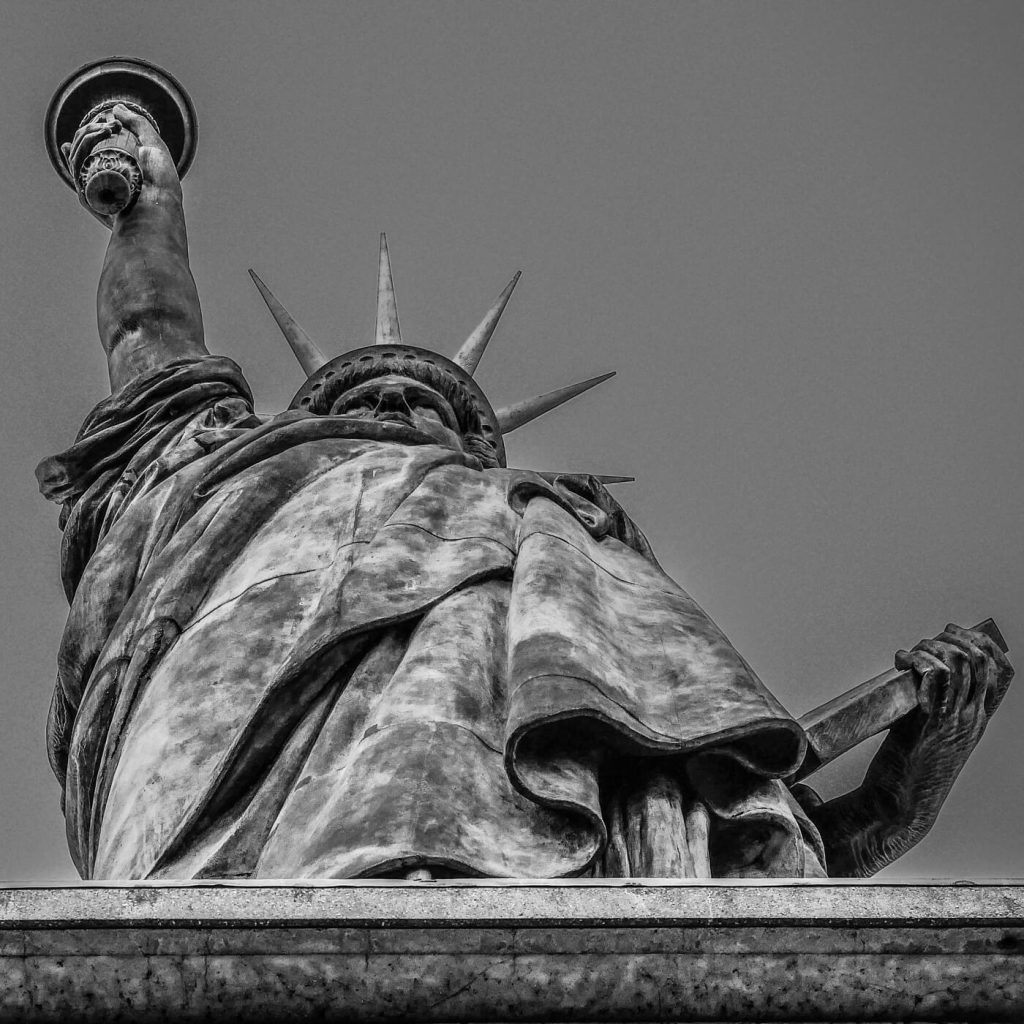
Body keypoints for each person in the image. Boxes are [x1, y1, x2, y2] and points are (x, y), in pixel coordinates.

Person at [37, 105, 1014, 881]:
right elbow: (149, 339)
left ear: (473, 437)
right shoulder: (241, 479)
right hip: (240, 816)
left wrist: (922, 760)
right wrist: (150, 201)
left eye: (427, 403)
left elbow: (748, 845)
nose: (398, 410)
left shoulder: (562, 562)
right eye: (373, 395)